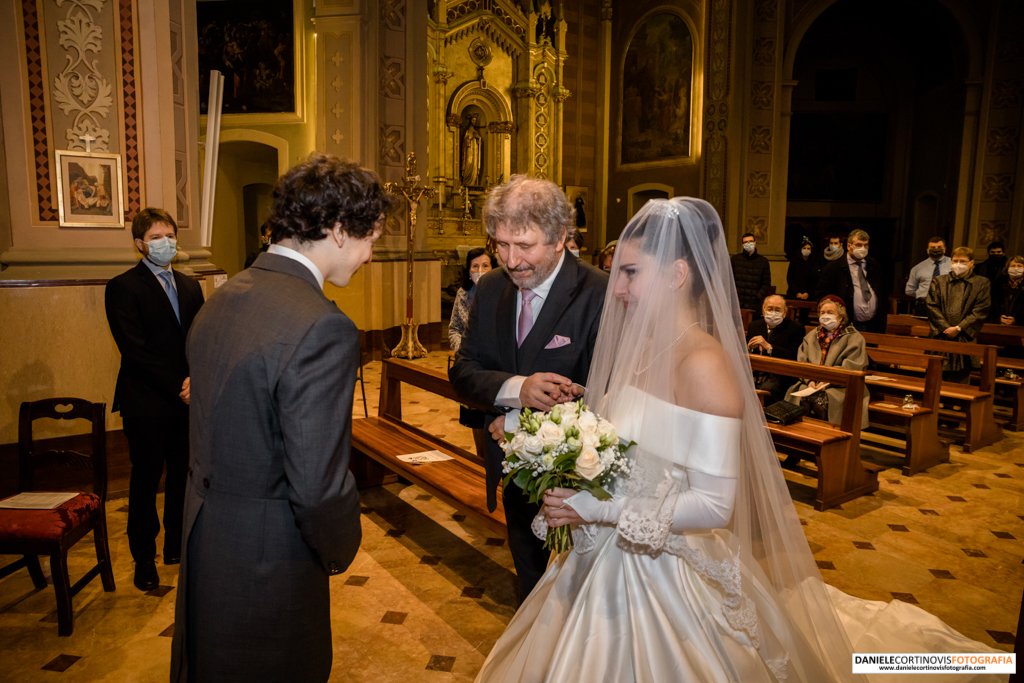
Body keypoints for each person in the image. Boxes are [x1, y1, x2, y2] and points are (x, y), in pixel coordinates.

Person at [476, 198, 997, 682]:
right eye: (619, 273)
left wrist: (598, 508)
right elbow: (624, 434)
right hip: (604, 555)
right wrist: (532, 429)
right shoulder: (643, 347)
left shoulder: (704, 363)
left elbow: (714, 504)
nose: (617, 288)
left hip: (663, 570)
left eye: (631, 273)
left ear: (678, 275)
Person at [170, 154, 394, 681]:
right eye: (371, 239)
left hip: (207, 531)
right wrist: (340, 546)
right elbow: (317, 484)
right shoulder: (322, 326)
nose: (369, 256)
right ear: (340, 230)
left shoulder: (223, 297)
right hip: (269, 555)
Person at [448, 175, 608, 602]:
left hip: (578, 486)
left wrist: (522, 421)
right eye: (501, 244)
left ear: (559, 238)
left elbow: (607, 393)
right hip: (515, 477)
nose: (511, 259)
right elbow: (463, 371)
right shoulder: (491, 288)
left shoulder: (598, 293)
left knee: (578, 599)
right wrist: (515, 391)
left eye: (525, 245)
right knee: (532, 586)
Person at [105, 207, 205, 592]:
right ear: (140, 244)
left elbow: (198, 337)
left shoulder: (191, 285)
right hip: (146, 400)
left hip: (186, 399)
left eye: (170, 235)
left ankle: (176, 547)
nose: (166, 243)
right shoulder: (123, 287)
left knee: (182, 475)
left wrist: (195, 378)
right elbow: (135, 350)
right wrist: (178, 382)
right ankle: (143, 557)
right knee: (146, 480)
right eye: (157, 237)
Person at [783, 295, 869, 428]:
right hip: (810, 384)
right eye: (822, 312)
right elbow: (802, 362)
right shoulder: (811, 336)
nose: (825, 316)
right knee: (800, 399)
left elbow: (853, 367)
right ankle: (802, 438)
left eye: (830, 312)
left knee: (820, 402)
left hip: (841, 387)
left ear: (841, 316)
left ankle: (829, 439)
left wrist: (826, 382)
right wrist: (809, 381)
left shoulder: (854, 338)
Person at [450, 247, 499, 462]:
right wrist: (463, 349)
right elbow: (454, 328)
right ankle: (480, 463)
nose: (480, 270)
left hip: (493, 367)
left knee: (493, 422)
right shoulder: (463, 295)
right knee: (475, 421)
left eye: (485, 265)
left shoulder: (503, 292)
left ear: (494, 268)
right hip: (470, 366)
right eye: (475, 266)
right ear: (469, 271)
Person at [925, 246, 991, 383]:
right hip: (941, 334)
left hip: (964, 335)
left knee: (961, 378)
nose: (958, 264)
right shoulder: (939, 281)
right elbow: (931, 305)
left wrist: (959, 328)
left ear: (971, 263)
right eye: (955, 261)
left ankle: (960, 403)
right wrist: (945, 327)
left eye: (963, 261)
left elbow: (980, 310)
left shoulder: (981, 283)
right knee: (935, 378)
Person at [815, 228, 887, 332]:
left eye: (865, 245)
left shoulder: (874, 266)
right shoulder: (834, 268)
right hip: (846, 325)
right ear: (849, 246)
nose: (863, 248)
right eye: (858, 245)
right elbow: (822, 295)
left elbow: (883, 292)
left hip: (873, 325)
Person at [747, 294, 804, 404]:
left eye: (777, 310)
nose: (773, 313)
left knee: (768, 389)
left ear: (784, 312)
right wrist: (749, 348)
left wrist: (769, 347)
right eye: (770, 309)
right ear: (763, 310)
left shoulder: (796, 328)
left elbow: (793, 356)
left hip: (779, 375)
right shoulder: (754, 326)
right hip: (755, 372)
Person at [905, 236, 950, 316]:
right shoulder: (917, 268)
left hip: (947, 306)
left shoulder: (953, 265)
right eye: (932, 247)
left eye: (939, 247)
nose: (936, 249)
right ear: (927, 250)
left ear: (945, 249)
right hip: (923, 307)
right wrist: (922, 296)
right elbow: (909, 290)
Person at [730, 231, 772, 313]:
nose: (748, 244)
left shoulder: (763, 261)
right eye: (745, 242)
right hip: (737, 302)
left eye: (750, 241)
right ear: (742, 245)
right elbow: (730, 280)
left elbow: (766, 283)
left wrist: (758, 296)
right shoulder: (735, 259)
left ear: (755, 242)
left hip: (755, 303)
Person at [990, 254, 1024, 325]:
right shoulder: (998, 284)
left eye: (1019, 266)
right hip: (998, 323)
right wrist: (998, 318)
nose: (1016, 268)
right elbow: (993, 304)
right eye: (1013, 266)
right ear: (1007, 268)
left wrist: (1016, 320)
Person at [785, 236, 820, 302]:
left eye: (808, 248)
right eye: (804, 248)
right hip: (793, 294)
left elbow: (815, 280)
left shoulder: (814, 263)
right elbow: (790, 278)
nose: (806, 250)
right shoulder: (794, 261)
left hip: (809, 296)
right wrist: (797, 292)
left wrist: (808, 293)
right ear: (800, 249)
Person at [461, 114, 482, 186]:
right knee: (469, 163)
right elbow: (465, 141)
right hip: (469, 151)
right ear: (470, 121)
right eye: (473, 120)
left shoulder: (476, 131)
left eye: (475, 120)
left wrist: (478, 139)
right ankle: (467, 181)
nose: (474, 122)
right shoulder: (468, 131)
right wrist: (472, 138)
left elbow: (479, 141)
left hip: (475, 151)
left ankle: (473, 182)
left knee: (474, 166)